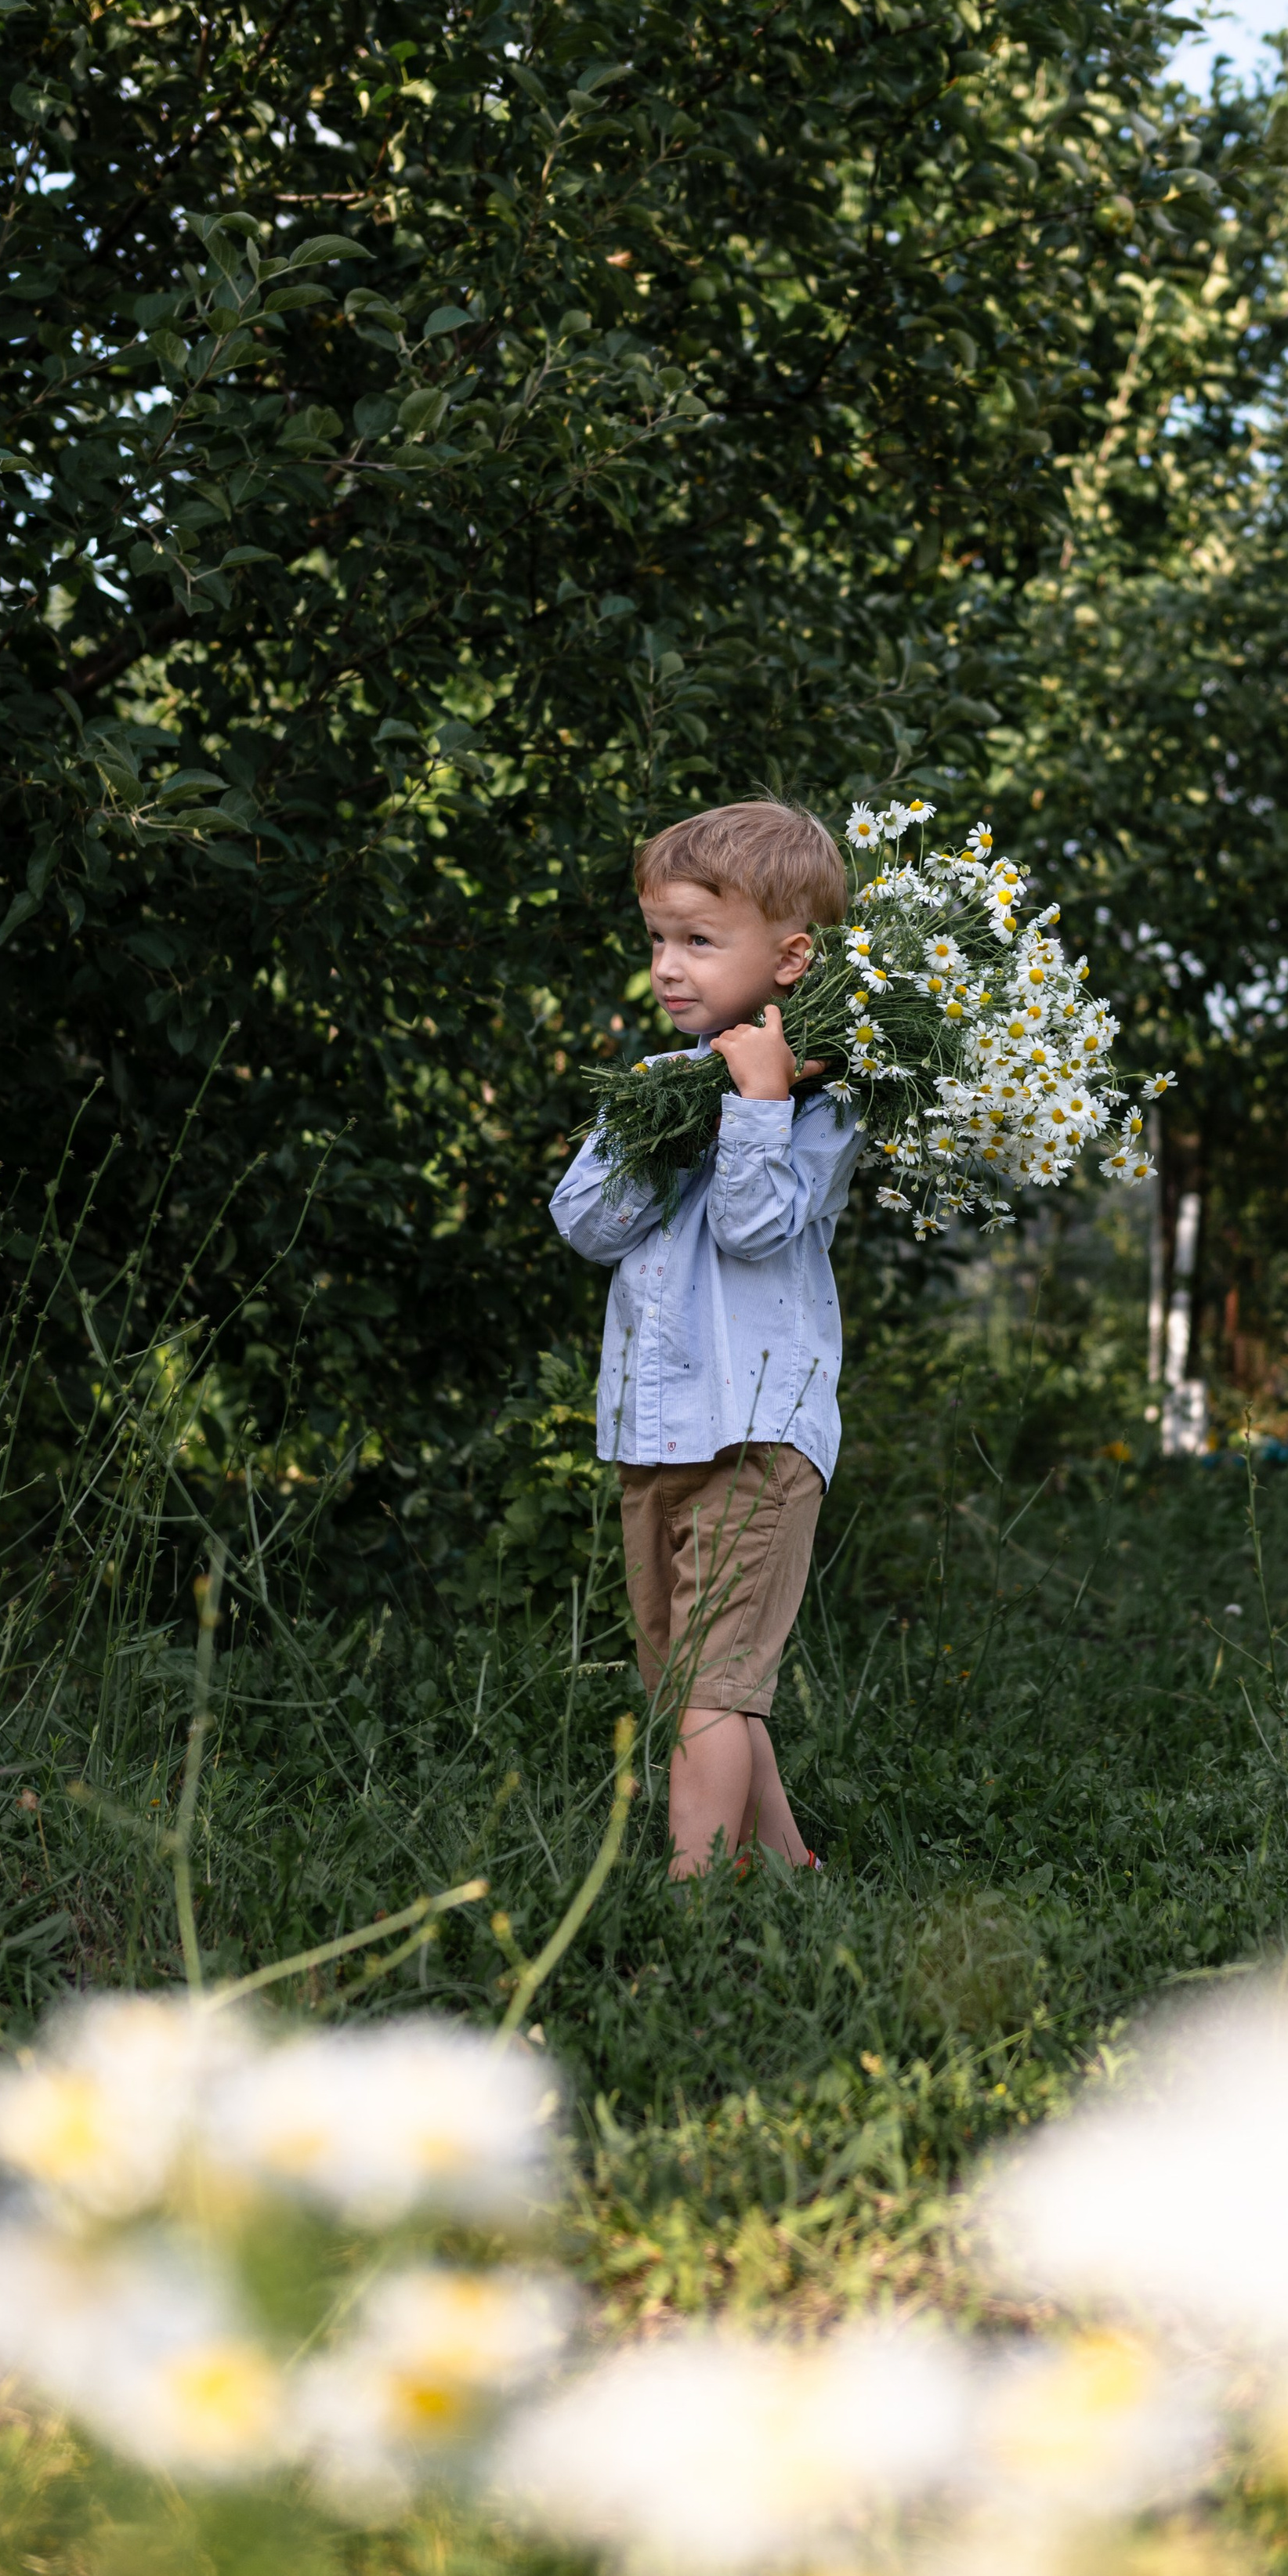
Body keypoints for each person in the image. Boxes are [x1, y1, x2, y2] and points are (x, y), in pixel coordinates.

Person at [551, 800, 858, 1877]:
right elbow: (584, 1223)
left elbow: (758, 1225)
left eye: (698, 939)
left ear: (790, 958)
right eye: (657, 939)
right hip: (659, 1427)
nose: (667, 967)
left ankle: (691, 1907)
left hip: (759, 1431)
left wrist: (757, 1105)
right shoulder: (649, 1088)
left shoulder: (820, 1106)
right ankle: (786, 1872)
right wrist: (677, 1119)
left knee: (712, 1689)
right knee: (687, 1678)